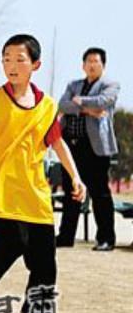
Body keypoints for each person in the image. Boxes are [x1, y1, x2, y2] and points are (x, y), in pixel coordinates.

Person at [0, 34, 86, 313]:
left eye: (19, 59)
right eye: (6, 59)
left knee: (44, 257)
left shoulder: (48, 106)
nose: (11, 66)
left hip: (33, 190)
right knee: (10, 244)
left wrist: (76, 177)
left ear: (35, 65)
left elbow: (58, 144)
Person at [55, 47, 120, 251]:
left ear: (103, 65)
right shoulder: (73, 85)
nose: (92, 65)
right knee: (71, 191)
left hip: (95, 147)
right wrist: (87, 110)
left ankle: (106, 238)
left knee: (99, 193)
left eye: (96, 61)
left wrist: (79, 102)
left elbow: (102, 102)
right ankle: (66, 236)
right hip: (71, 144)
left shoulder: (110, 85)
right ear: (83, 65)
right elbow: (62, 105)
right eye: (88, 61)